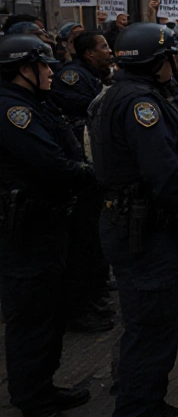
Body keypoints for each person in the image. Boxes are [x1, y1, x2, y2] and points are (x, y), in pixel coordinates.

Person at [90, 23, 178, 417]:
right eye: (171, 58)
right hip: (142, 229)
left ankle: (151, 407)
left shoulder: (125, 94)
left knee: (155, 327)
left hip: (138, 225)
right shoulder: (140, 103)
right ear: (155, 62)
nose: (176, 64)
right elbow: (164, 171)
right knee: (150, 331)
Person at [0, 35, 94, 417]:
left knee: (50, 313)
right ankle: (33, 403)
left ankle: (44, 386)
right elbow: (48, 163)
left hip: (47, 226)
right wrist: (93, 175)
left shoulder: (34, 103)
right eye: (45, 65)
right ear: (24, 69)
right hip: (26, 233)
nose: (53, 72)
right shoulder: (11, 110)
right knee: (31, 319)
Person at [48, 29, 116, 333]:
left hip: (91, 169)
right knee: (83, 245)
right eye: (103, 46)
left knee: (94, 243)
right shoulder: (73, 77)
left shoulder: (96, 74)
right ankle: (81, 306)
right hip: (80, 173)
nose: (109, 50)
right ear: (89, 53)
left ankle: (94, 296)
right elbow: (90, 109)